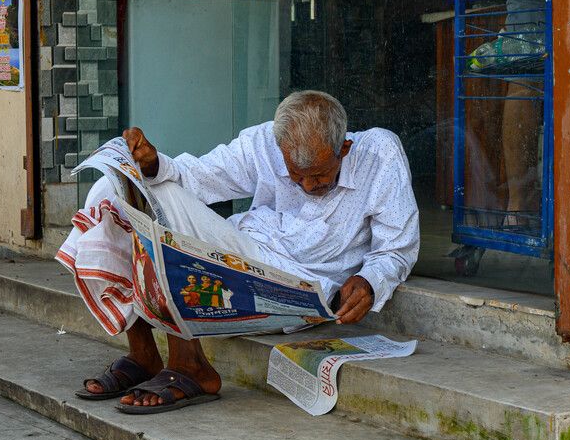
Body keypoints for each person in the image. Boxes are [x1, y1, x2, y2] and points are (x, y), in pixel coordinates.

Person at [58, 90, 420, 413]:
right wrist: (151, 165)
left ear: (343, 148)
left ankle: (191, 366)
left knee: (161, 203)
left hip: (302, 284)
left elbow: (397, 248)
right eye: (297, 176)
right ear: (281, 152)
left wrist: (369, 281)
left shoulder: (379, 154)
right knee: (114, 187)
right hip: (246, 255)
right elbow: (195, 176)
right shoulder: (264, 143)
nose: (308, 185)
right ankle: (144, 352)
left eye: (320, 177)